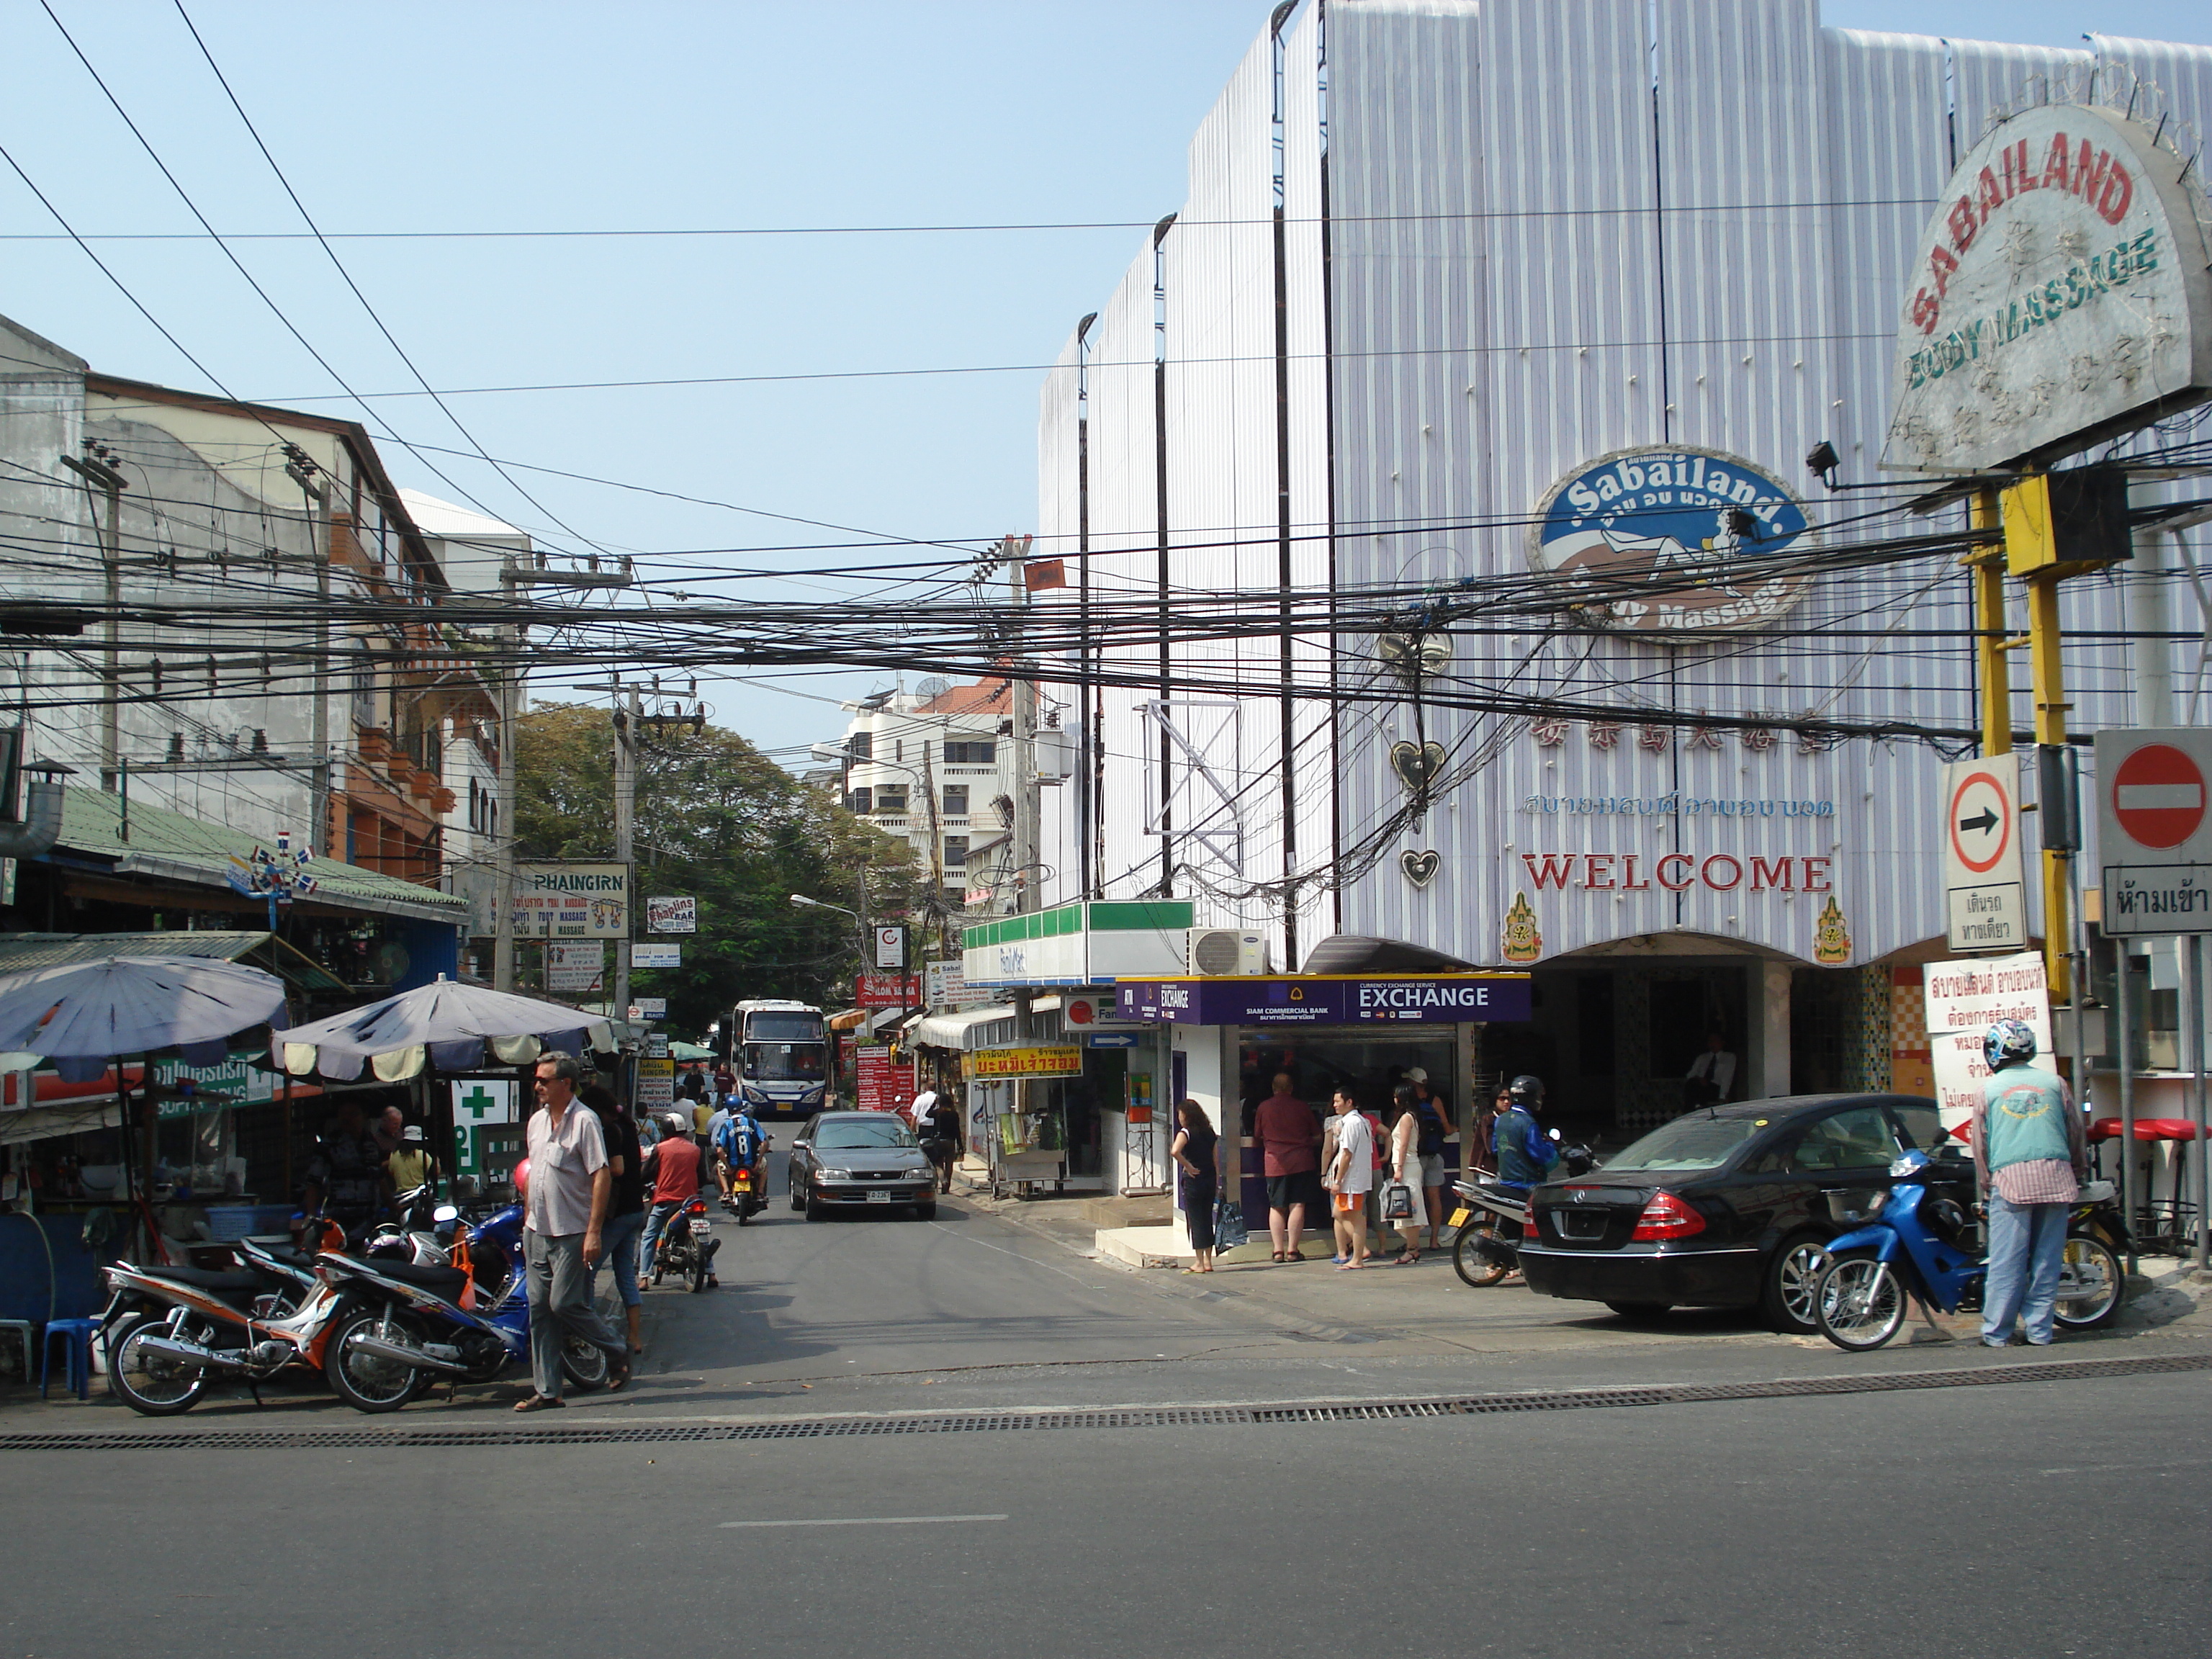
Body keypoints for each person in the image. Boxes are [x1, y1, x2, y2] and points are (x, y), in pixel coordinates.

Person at [516, 1053, 630, 1411]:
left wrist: (593, 1232)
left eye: (544, 1081)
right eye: (536, 1080)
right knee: (539, 1310)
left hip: (571, 1230)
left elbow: (601, 1174)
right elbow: (533, 1174)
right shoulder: (536, 1122)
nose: (538, 1087)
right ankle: (548, 1391)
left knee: (564, 1303)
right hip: (537, 1228)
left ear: (565, 1084)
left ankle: (615, 1348)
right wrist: (526, 1218)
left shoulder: (585, 1121)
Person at [1971, 1019, 2088, 1349]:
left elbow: (1981, 1145)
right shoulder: (2055, 1084)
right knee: (2046, 1260)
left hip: (2011, 1186)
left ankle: (1997, 1333)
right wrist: (2077, 1170)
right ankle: (2040, 1332)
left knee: (2007, 1261)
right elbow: (2075, 1131)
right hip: (2056, 1179)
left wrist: (1987, 1185)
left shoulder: (1987, 1090)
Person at [580, 1081, 645, 1358]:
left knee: (587, 1273)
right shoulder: (628, 1127)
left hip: (616, 1212)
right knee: (625, 1275)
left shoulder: (607, 1131)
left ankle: (592, 1338)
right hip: (634, 1208)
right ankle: (635, 1336)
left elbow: (615, 1169)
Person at [1252, 1071, 1321, 1263]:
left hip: (1275, 1163)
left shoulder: (1264, 1107)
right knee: (1297, 1204)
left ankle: (1277, 1251)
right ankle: (1292, 1250)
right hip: (1302, 1160)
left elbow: (1257, 1135)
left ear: (1273, 1088)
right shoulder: (1302, 1107)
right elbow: (1317, 1134)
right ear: (1291, 1088)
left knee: (1276, 1206)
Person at [640, 1111, 716, 1287]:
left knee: (649, 1235)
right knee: (702, 1235)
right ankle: (711, 1274)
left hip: (665, 1201)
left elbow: (646, 1175)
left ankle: (644, 1277)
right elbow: (702, 1178)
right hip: (691, 1201)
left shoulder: (660, 1149)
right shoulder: (695, 1149)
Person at [302, 1101, 388, 1237]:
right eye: (343, 1114)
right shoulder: (328, 1145)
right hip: (339, 1218)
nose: (348, 1118)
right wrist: (311, 1215)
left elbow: (379, 1177)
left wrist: (393, 1206)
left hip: (370, 1218)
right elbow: (313, 1182)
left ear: (364, 1116)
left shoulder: (371, 1143)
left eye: (354, 1114)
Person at [1325, 1087, 1373, 1270]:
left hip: (1352, 1180)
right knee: (1340, 1213)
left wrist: (1337, 1180)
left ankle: (1359, 1256)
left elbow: (1346, 1154)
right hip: (1355, 1178)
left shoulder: (1352, 1123)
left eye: (1338, 1101)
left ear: (1349, 1102)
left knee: (1355, 1217)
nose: (1335, 1105)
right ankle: (1361, 1251)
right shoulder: (1360, 1121)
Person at [1406, 1069, 1452, 1250]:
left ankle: (1412, 1242)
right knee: (1435, 1198)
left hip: (1415, 1158)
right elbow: (1447, 1129)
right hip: (1434, 1155)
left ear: (1412, 1083)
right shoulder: (1435, 1100)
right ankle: (1434, 1240)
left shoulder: (1408, 1103)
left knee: (1413, 1200)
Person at [1172, 1099, 1219, 1273]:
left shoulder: (1185, 1133)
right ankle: (1208, 1261)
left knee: (1196, 1220)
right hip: (1210, 1177)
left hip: (1194, 1179)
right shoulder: (1209, 1132)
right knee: (1207, 1219)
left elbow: (1175, 1151)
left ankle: (1199, 1262)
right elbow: (1216, 1159)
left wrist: (1188, 1166)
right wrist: (1217, 1180)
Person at [1382, 1087, 1428, 1264]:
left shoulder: (1406, 1118)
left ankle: (1412, 1249)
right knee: (1409, 1208)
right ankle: (1412, 1247)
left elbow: (1403, 1145)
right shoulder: (1411, 1117)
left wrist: (1399, 1168)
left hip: (1407, 1166)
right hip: (1408, 1166)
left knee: (1409, 1208)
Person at [914, 1088, 960, 1193]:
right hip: (951, 1141)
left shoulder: (938, 1113)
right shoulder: (954, 1114)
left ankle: (942, 1180)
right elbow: (957, 1130)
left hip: (939, 1141)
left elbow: (927, 1114)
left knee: (938, 1163)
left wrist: (934, 1104)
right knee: (949, 1165)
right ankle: (947, 1186)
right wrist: (960, 1145)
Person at [1683, 1030, 1737, 1107]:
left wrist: (1722, 1096)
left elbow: (1727, 1077)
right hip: (1698, 1085)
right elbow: (1690, 1075)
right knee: (1693, 1085)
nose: (1712, 1043)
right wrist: (1699, 1079)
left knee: (1697, 1088)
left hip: (1715, 1087)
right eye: (1710, 1041)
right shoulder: (1702, 1058)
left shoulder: (1729, 1057)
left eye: (1715, 1041)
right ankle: (1694, 1107)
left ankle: (1697, 1105)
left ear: (1722, 1042)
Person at [385, 1123, 438, 1194]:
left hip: (401, 1194)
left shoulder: (394, 1155)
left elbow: (391, 1173)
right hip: (420, 1193)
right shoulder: (423, 1155)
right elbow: (435, 1172)